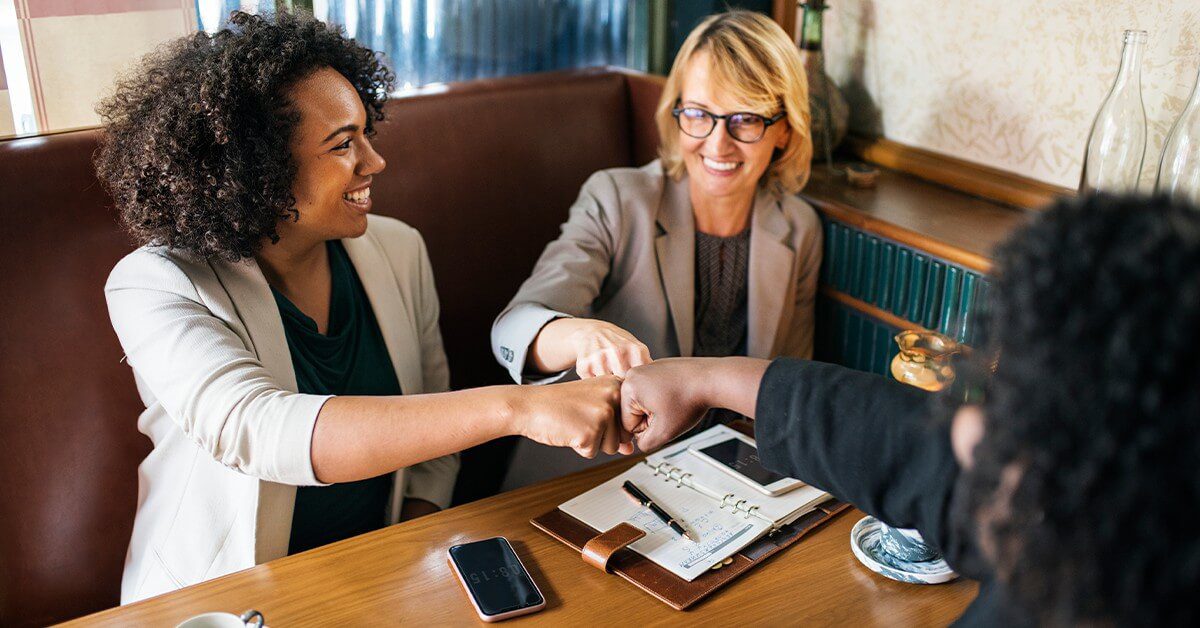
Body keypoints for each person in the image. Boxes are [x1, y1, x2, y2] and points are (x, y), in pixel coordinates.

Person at [98, 11, 628, 603]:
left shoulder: (398, 249)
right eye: (343, 144)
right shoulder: (155, 283)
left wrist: (405, 555)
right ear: (258, 168)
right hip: (222, 598)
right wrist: (519, 406)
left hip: (380, 576)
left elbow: (435, 440)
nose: (374, 162)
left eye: (366, 134)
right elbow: (256, 430)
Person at [620, 194, 1200, 625]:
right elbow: (901, 440)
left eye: (1009, 411)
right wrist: (701, 378)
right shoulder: (1095, 525)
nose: (967, 434)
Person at [490, 11, 819, 484]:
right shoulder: (617, 198)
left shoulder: (800, 227)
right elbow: (515, 330)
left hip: (724, 484)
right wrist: (582, 335)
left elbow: (788, 387)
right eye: (700, 115)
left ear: (785, 129)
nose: (718, 144)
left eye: (745, 119)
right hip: (589, 476)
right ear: (677, 112)